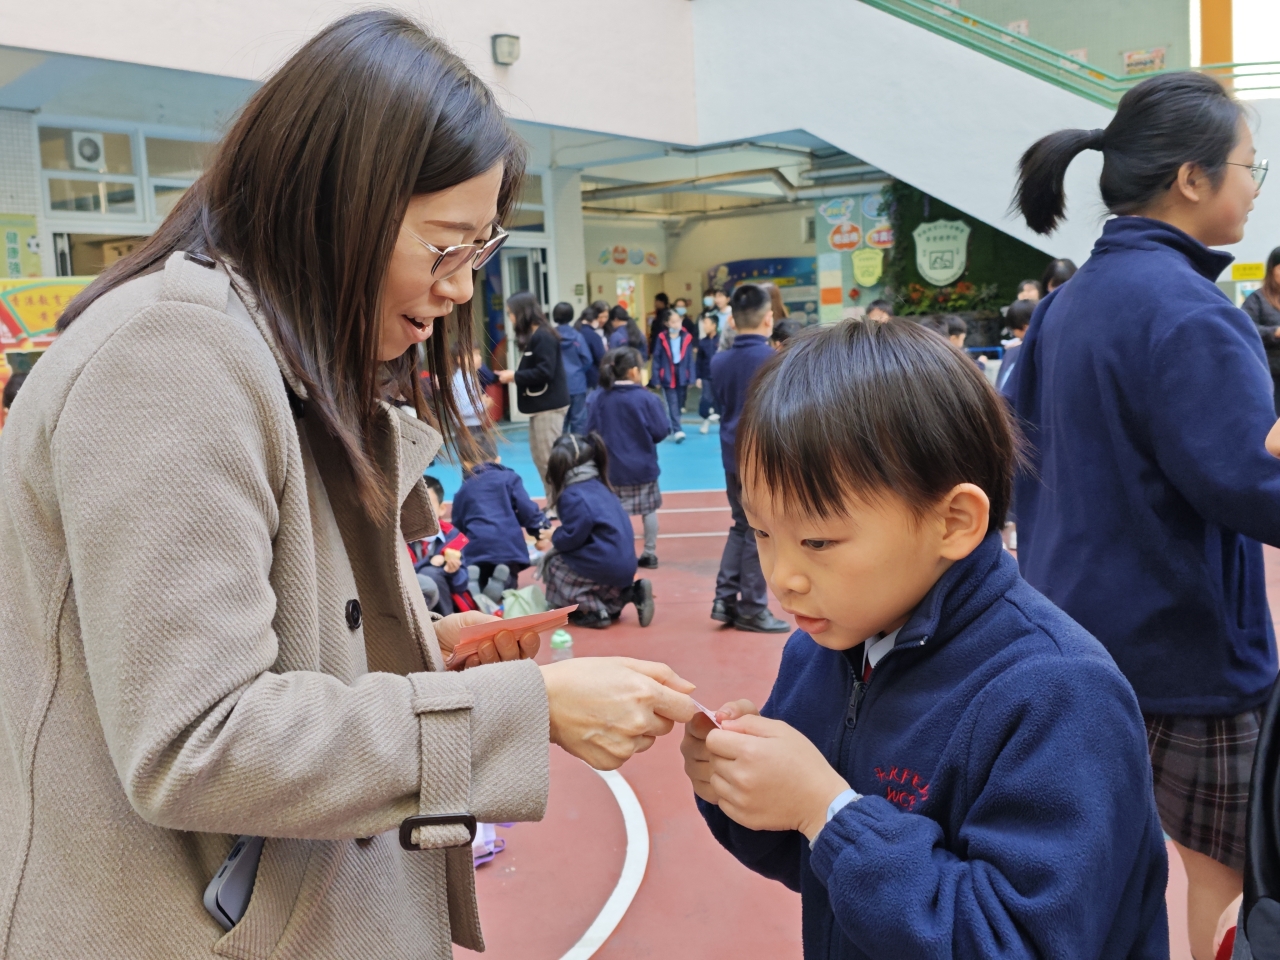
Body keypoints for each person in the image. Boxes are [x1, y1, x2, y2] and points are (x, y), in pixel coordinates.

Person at [0, 13, 701, 959]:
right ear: (336, 204)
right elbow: (200, 739)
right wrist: (524, 710)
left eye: (481, 250)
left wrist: (421, 649)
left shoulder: (256, 350)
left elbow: (260, 647)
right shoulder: (174, 357)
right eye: (446, 245)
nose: (462, 288)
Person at [680, 320, 1169, 960]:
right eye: (761, 533)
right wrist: (737, 789)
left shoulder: (1059, 694)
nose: (782, 577)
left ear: (954, 522)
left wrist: (828, 810)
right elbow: (814, 865)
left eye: (818, 540)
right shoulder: (822, 651)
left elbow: (1019, 941)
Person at [1010, 71, 1278, 960]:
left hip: (1070, 643)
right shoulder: (1192, 311)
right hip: (1189, 659)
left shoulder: (1063, 307)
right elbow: (1250, 483)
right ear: (1192, 178)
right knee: (1229, 883)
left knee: (1100, 877)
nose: (1254, 186)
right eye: (1249, 165)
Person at [710, 283, 789, 633]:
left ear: (733, 319)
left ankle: (724, 599)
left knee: (741, 524)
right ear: (768, 318)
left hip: (731, 454)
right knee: (761, 529)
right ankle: (753, 608)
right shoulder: (775, 361)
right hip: (764, 457)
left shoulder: (719, 361)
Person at [542, 432, 655, 630]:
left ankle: (593, 610)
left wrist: (555, 536)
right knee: (591, 567)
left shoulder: (573, 495)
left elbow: (572, 538)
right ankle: (627, 594)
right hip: (625, 565)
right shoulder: (601, 486)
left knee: (555, 563)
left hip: (606, 564)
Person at [586, 347, 669, 569]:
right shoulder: (647, 398)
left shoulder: (597, 398)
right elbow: (661, 431)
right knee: (648, 510)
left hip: (610, 469)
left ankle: (619, 553)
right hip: (642, 467)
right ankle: (649, 553)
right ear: (633, 371)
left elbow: (589, 432)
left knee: (614, 514)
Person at [451, 447, 551, 596]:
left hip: (476, 548)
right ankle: (504, 584)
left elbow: (457, 524)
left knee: (480, 580)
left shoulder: (463, 489)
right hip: (507, 546)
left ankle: (478, 588)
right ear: (498, 459)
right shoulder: (509, 478)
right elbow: (527, 509)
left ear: (465, 464)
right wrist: (540, 530)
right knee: (508, 584)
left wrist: (455, 550)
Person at [496, 291, 570, 487]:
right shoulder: (537, 336)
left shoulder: (543, 336)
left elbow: (545, 371)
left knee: (548, 460)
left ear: (522, 312)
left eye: (511, 313)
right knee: (540, 458)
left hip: (549, 407)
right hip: (541, 407)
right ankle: (554, 499)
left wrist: (515, 376)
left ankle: (560, 499)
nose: (510, 318)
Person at [410, 474, 473, 615]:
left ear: (442, 508)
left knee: (430, 573)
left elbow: (461, 585)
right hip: (412, 603)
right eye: (413, 507)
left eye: (427, 507)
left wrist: (453, 572)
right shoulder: (400, 540)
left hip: (447, 605)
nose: (421, 514)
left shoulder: (452, 538)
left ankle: (445, 621)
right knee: (427, 573)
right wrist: (429, 562)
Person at [1241, 246, 1280, 413]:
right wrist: (1274, 332)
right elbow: (1244, 328)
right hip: (1271, 375)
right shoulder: (1257, 299)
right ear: (1272, 270)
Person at [652, 306, 695, 442]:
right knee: (672, 402)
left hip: (682, 373)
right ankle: (678, 430)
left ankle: (674, 424)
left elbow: (690, 358)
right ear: (667, 323)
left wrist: (692, 377)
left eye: (678, 320)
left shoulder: (686, 337)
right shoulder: (662, 338)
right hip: (667, 373)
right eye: (673, 321)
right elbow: (657, 358)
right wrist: (656, 377)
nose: (677, 324)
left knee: (680, 401)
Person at [450, 339, 498, 460]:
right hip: (469, 429)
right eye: (475, 354)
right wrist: (484, 404)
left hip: (475, 426)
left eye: (479, 354)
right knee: (476, 462)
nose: (479, 358)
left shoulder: (470, 377)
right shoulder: (460, 380)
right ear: (460, 359)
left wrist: (481, 401)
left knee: (484, 460)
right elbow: (461, 409)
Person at [552, 300, 593, 435]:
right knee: (579, 421)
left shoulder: (550, 336)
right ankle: (578, 447)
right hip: (577, 383)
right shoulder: (577, 336)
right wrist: (578, 371)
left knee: (559, 424)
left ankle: (561, 448)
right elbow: (587, 359)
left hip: (557, 385)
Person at [996, 298, 1035, 393]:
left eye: (1012, 330)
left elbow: (1002, 388)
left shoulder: (1016, 352)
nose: (1013, 335)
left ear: (1025, 327)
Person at [695, 312, 720, 434]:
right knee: (706, 399)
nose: (704, 326)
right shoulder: (702, 342)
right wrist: (698, 377)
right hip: (706, 375)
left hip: (720, 375)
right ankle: (706, 419)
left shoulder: (721, 340)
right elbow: (699, 361)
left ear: (714, 325)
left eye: (706, 323)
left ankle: (722, 423)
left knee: (720, 400)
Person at [575, 302, 608, 391]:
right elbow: (601, 358)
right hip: (592, 378)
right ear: (594, 319)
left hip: (576, 378)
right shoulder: (594, 336)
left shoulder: (575, 331)